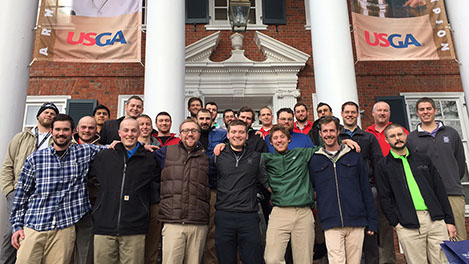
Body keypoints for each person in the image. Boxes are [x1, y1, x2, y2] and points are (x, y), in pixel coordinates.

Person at [10, 114, 107, 263]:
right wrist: (17, 226)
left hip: (64, 228)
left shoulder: (83, 152)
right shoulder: (35, 159)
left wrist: (142, 146)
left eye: (65, 130)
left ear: (72, 131)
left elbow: (112, 148)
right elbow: (22, 195)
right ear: (51, 131)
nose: (61, 133)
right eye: (58, 129)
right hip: (35, 225)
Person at [375, 123, 456, 264]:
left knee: (443, 262)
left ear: (405, 136)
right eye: (392, 136)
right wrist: (396, 222)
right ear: (387, 140)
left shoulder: (423, 159)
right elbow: (384, 197)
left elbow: (439, 190)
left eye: (400, 134)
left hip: (435, 219)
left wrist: (449, 220)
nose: (397, 138)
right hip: (408, 224)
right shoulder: (383, 166)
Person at [88, 118, 160, 264]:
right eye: (126, 130)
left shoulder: (149, 159)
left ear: (139, 133)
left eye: (134, 130)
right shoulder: (104, 156)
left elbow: (154, 186)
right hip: (104, 226)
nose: (129, 134)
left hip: (134, 228)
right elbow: (93, 180)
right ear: (119, 133)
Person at [309, 116, 378, 264]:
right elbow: (313, 189)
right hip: (330, 222)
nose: (329, 134)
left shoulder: (354, 157)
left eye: (332, 130)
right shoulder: (314, 160)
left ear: (338, 131)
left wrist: (372, 222)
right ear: (320, 134)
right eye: (325, 131)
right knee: (336, 261)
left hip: (356, 220)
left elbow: (365, 189)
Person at [0, 102, 59, 264]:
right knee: (11, 232)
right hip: (19, 191)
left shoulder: (57, 139)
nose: (49, 115)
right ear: (38, 115)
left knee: (34, 233)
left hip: (43, 195)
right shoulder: (21, 137)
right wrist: (9, 191)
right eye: (46, 112)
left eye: (53, 113)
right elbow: (8, 165)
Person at [406, 97, 467, 241]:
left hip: (452, 192)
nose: (425, 112)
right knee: (435, 240)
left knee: (458, 237)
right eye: (421, 109)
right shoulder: (411, 139)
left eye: (428, 109)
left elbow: (460, 163)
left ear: (435, 111)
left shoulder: (451, 133)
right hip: (428, 196)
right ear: (417, 113)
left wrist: (450, 179)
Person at [153, 119, 211, 264]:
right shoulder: (165, 153)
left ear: (199, 134)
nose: (190, 134)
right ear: (180, 134)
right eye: (186, 131)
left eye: (194, 131)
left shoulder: (208, 159)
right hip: (173, 222)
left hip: (198, 223)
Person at [214, 120, 270, 264]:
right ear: (227, 135)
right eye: (233, 132)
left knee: (253, 259)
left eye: (241, 132)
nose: (237, 135)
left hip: (249, 216)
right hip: (224, 215)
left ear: (246, 135)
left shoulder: (257, 157)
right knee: (226, 260)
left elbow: (266, 182)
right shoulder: (217, 155)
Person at [263, 125, 317, 264]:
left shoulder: (301, 153)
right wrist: (221, 146)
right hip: (279, 212)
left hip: (303, 212)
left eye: (282, 137)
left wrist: (345, 142)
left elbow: (328, 149)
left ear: (289, 140)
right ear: (270, 142)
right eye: (275, 138)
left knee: (304, 260)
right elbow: (244, 158)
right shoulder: (267, 159)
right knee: (272, 258)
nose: (279, 140)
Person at [339, 101, 383, 264]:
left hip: (368, 189)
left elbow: (378, 163)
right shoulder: (337, 137)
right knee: (349, 232)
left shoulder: (368, 137)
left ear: (357, 115)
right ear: (342, 114)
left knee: (370, 232)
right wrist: (343, 142)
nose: (350, 115)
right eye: (347, 112)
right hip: (344, 190)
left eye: (353, 112)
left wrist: (378, 188)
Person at [365, 101, 407, 264]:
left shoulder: (400, 132)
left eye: (385, 110)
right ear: (373, 114)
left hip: (399, 182)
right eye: (379, 110)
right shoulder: (367, 134)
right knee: (382, 225)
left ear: (389, 113)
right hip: (379, 186)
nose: (382, 113)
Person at [196, 109, 226, 264]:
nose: (204, 121)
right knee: (195, 230)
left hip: (214, 187)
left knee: (212, 231)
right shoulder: (191, 135)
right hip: (195, 189)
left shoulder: (221, 135)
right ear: (196, 119)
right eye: (201, 118)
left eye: (207, 118)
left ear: (213, 118)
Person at [71, 116, 102, 264]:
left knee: (85, 248)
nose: (87, 131)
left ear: (96, 130)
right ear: (77, 128)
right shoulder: (64, 145)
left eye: (91, 128)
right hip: (65, 204)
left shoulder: (104, 149)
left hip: (91, 203)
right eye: (84, 127)